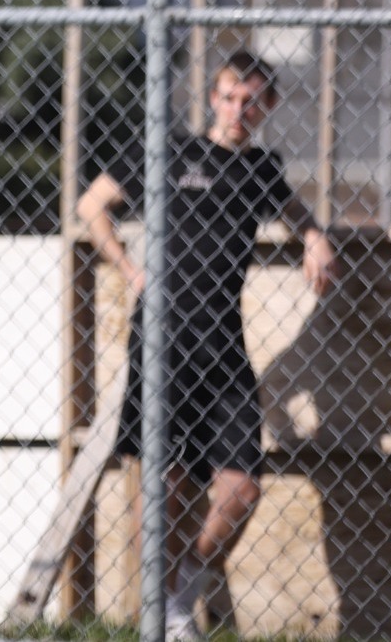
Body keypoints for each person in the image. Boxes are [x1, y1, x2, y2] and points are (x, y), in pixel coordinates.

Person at [79, 51, 339, 641]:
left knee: (242, 485)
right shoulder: (172, 151)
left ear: (266, 107)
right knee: (163, 481)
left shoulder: (261, 170)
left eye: (251, 100)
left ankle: (181, 585)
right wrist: (126, 266)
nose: (237, 109)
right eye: (228, 96)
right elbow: (92, 205)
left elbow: (297, 212)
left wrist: (316, 237)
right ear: (212, 97)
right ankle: (166, 619)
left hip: (224, 346)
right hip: (163, 341)